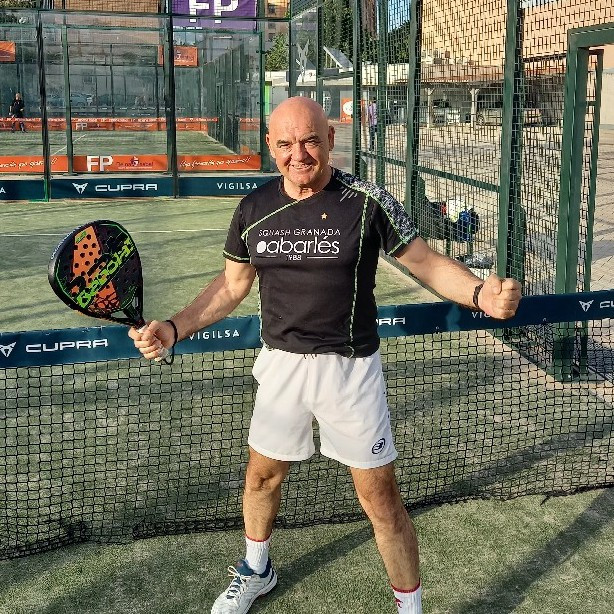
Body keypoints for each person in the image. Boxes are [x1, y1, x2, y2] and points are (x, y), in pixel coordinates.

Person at [129, 96, 522, 614]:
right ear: (270, 146)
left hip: (350, 371)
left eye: (310, 140)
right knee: (261, 478)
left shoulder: (368, 200)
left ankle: (411, 607)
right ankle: (257, 570)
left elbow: (425, 262)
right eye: (286, 144)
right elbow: (231, 286)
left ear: (331, 139)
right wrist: (174, 327)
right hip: (281, 367)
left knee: (380, 499)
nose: (299, 154)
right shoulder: (253, 208)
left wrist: (477, 293)